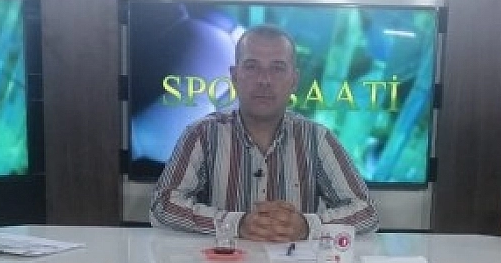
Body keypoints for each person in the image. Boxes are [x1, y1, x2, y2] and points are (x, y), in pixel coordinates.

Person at [150, 24, 378, 241]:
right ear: (234, 76)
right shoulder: (201, 134)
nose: (264, 80)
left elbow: (366, 212)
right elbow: (162, 205)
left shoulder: (318, 139)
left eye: (277, 68)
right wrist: (235, 224)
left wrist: (307, 226)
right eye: (252, 67)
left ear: (294, 80)